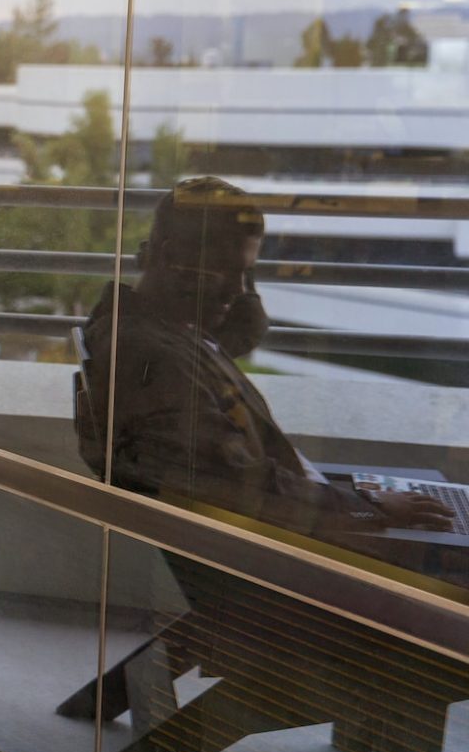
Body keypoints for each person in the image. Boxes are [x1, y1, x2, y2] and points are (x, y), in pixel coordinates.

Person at [76, 175, 449, 539]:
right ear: (170, 256)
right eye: (226, 270)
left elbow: (237, 335)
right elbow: (242, 484)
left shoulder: (157, 326)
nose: (238, 290)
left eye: (246, 274)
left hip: (305, 498)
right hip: (303, 533)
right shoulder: (155, 360)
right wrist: (368, 507)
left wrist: (238, 293)